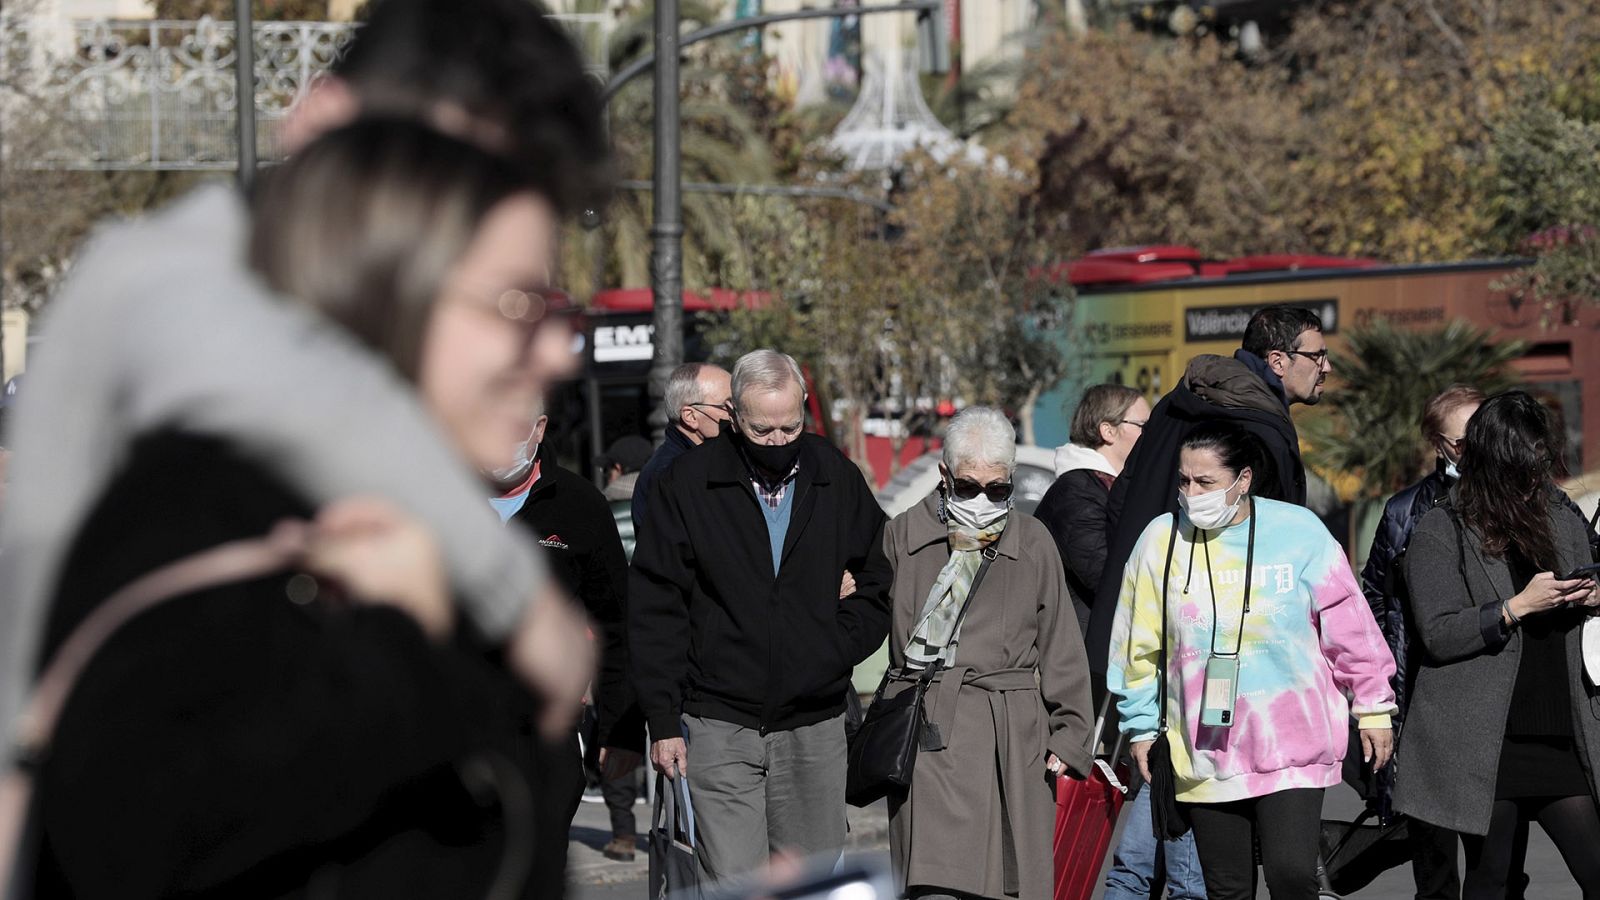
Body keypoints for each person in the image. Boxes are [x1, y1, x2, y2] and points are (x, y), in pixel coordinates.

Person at [0, 0, 608, 743]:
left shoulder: (355, 317)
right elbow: (284, 388)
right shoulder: (170, 270)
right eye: (436, 180)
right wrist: (519, 602)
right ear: (319, 119)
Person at [35, 120, 584, 898]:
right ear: (389, 294)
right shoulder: (202, 522)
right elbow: (130, 834)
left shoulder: (447, 544)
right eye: (519, 305)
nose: (560, 351)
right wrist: (400, 644)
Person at [629, 349, 892, 882]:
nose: (777, 441)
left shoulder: (834, 477)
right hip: (718, 721)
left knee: (810, 882)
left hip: (814, 724)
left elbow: (875, 579)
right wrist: (662, 720)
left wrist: (832, 648)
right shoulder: (688, 483)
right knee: (734, 883)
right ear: (733, 415)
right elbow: (658, 605)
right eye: (761, 429)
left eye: (789, 427)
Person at [1108, 422, 1397, 900]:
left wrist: (1372, 706)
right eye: (1183, 481)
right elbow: (1135, 645)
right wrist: (1140, 726)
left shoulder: (1299, 532)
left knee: (1290, 875)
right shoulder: (1160, 541)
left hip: (1291, 744)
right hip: (1203, 748)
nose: (1190, 493)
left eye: (1205, 483)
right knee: (1227, 889)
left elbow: (1349, 626)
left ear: (1243, 480)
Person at [882, 406, 1094, 900]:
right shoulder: (902, 538)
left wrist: (1069, 735)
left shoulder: (1033, 541)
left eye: (998, 489)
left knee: (1007, 883)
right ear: (944, 475)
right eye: (968, 486)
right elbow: (863, 623)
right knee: (934, 882)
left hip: (1010, 738)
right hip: (928, 732)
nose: (982, 500)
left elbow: (1062, 644)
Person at [1396, 390, 1600, 900]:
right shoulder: (1441, 528)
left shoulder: (1561, 517)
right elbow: (1439, 633)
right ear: (1488, 457)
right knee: (1493, 882)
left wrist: (1593, 594)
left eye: (1539, 459)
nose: (1533, 474)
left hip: (1560, 732)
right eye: (1521, 461)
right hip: (1486, 742)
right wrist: (1516, 607)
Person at [1088, 306, 1330, 678]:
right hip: (1224, 644)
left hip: (1143, 626)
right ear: (1278, 361)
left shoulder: (1175, 403)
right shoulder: (1259, 429)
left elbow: (1121, 499)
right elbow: (1275, 544)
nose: (1326, 368)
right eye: (1318, 356)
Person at [1038, 384, 1206, 900]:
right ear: (1108, 431)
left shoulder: (1113, 487)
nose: (1152, 437)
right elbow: (1103, 573)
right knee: (1100, 792)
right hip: (1087, 673)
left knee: (1142, 792)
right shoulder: (1078, 488)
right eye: (1142, 426)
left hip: (1110, 670)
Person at [488, 401, 634, 865]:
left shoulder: (579, 505)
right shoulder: (439, 495)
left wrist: (620, 727)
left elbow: (617, 620)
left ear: (539, 429)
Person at [1358, 384, 1483, 900]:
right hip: (1425, 698)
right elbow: (1373, 597)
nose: (1478, 450)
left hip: (1491, 697)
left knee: (1495, 858)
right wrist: (1384, 687)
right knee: (1433, 861)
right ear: (1439, 443)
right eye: (1464, 441)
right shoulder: (1405, 509)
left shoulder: (1517, 500)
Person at [631, 362, 733, 532]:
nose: (735, 414)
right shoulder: (669, 476)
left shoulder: (709, 460)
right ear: (690, 416)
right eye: (726, 406)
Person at [601, 435, 654, 562]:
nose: (606, 477)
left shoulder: (599, 513)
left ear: (618, 468)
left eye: (606, 470)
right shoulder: (668, 505)